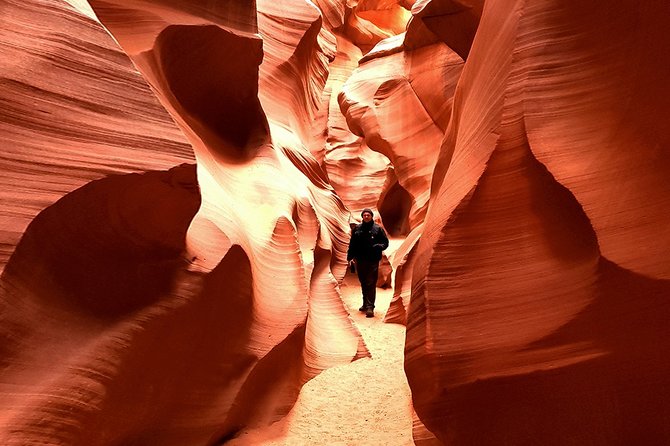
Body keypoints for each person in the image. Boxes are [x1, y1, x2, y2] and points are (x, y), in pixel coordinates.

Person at [347, 208, 389, 318]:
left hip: (372, 260)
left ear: (371, 216)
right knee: (363, 282)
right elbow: (353, 244)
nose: (366, 217)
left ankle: (370, 307)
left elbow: (385, 242)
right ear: (362, 216)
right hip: (360, 259)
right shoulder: (357, 229)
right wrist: (350, 257)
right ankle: (365, 303)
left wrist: (378, 246)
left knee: (370, 282)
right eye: (364, 215)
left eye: (368, 215)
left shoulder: (378, 229)